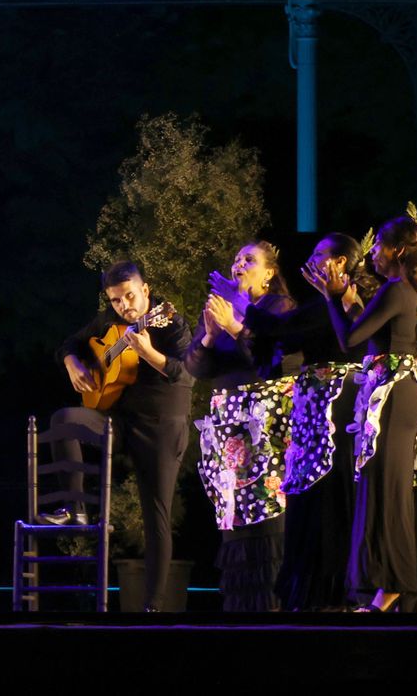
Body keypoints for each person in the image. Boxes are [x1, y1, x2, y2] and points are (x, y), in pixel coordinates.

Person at [210, 233, 371, 610]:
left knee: (327, 501)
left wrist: (237, 308)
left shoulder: (347, 306)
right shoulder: (325, 305)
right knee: (311, 501)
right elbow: (276, 346)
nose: (310, 260)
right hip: (314, 414)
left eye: (319, 255)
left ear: (341, 264)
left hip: (335, 413)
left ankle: (334, 591)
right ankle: (314, 592)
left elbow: (281, 331)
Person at [309, 213, 417, 612]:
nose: (372, 251)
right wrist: (348, 302)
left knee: (389, 494)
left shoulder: (396, 288)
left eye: (378, 246)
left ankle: (393, 588)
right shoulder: (402, 290)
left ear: (399, 251)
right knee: (379, 488)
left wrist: (332, 299)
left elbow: (349, 340)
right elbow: (373, 337)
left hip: (395, 398)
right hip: (395, 396)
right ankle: (381, 587)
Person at [51, 260, 193, 612]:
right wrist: (73, 362)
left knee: (155, 514)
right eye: (116, 300)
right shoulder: (109, 321)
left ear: (145, 291)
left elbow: (186, 375)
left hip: (162, 427)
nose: (124, 306)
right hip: (120, 422)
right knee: (64, 419)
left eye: (130, 296)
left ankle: (152, 607)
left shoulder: (170, 322)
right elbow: (69, 343)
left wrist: (148, 353)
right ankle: (76, 508)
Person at [188, 240, 295, 611]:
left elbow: (271, 361)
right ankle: (241, 613)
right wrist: (209, 335)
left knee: (264, 514)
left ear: (269, 273)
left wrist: (235, 326)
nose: (239, 264)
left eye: (249, 259)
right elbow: (196, 368)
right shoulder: (223, 310)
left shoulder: (277, 308)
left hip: (263, 429)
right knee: (235, 518)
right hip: (228, 434)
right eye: (236, 259)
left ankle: (272, 609)